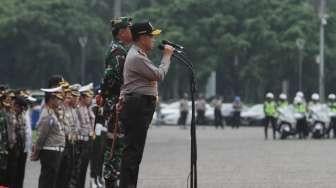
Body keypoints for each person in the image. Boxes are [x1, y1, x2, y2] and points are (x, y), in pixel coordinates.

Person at [118, 21, 174, 188]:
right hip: (137, 105)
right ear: (142, 37)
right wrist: (167, 56)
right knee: (132, 152)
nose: (153, 40)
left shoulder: (139, 54)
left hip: (139, 105)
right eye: (151, 36)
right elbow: (158, 74)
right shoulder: (136, 57)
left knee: (135, 152)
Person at [101, 16, 133, 188]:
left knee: (117, 147)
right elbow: (109, 79)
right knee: (115, 147)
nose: (131, 32)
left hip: (116, 104)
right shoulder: (118, 53)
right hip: (116, 107)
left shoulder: (119, 49)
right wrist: (105, 95)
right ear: (121, 32)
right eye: (129, 29)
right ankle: (110, 182)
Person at [31, 85, 65, 188]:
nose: (59, 101)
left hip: (54, 152)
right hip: (50, 152)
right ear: (51, 99)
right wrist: (36, 152)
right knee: (47, 181)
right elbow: (42, 136)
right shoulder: (48, 115)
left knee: (51, 181)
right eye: (57, 99)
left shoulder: (53, 113)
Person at [56, 84, 81, 188]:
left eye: (72, 97)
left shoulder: (72, 110)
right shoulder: (61, 109)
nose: (71, 100)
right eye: (69, 97)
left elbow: (76, 127)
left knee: (69, 172)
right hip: (64, 144)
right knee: (62, 173)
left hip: (72, 144)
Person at [72, 83, 95, 188]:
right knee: (78, 170)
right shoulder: (77, 109)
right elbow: (77, 127)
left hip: (87, 141)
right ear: (83, 97)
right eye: (89, 97)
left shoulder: (87, 108)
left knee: (83, 169)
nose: (91, 99)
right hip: (80, 142)